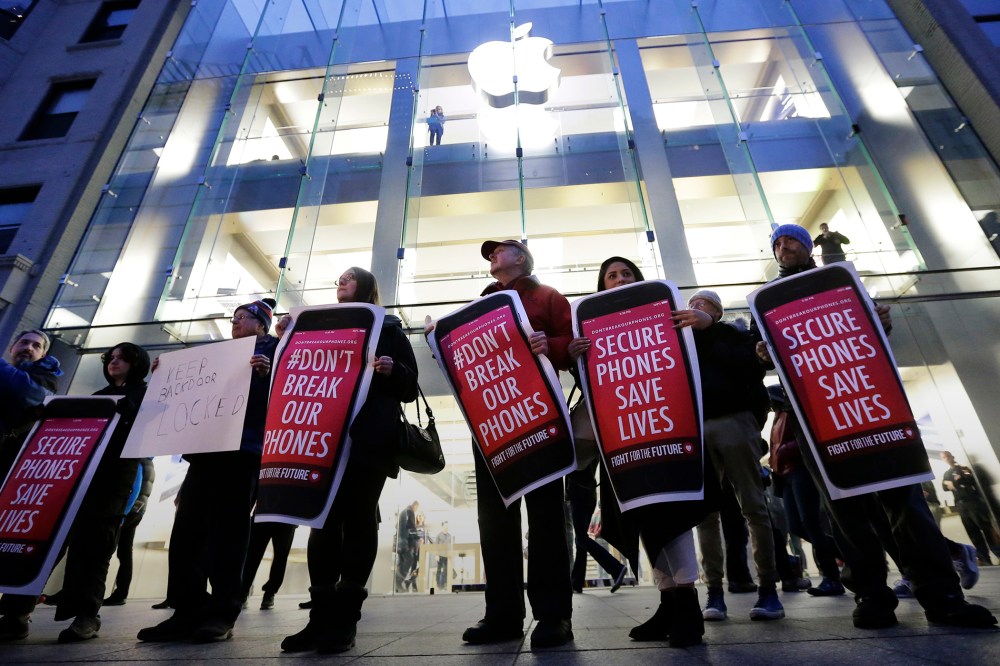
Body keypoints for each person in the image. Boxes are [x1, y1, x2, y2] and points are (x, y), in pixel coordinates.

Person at [754, 223, 996, 630]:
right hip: (817, 418)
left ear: (808, 245)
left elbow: (870, 336)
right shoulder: (767, 303)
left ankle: (942, 596)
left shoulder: (843, 284)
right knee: (845, 510)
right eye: (777, 243)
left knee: (905, 502)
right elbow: (766, 358)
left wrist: (878, 322)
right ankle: (871, 595)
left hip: (870, 407)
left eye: (791, 239)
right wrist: (762, 353)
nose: (783, 247)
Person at [567, 257, 716, 648]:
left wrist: (705, 323)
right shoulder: (592, 328)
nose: (619, 280)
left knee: (674, 516)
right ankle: (668, 604)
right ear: (602, 285)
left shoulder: (667, 316)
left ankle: (689, 608)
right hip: (623, 443)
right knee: (646, 521)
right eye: (611, 276)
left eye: (626, 274)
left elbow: (705, 354)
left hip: (667, 433)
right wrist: (573, 353)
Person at [281, 267, 418, 654]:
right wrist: (285, 342)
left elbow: (410, 386)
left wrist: (393, 370)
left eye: (348, 278)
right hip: (323, 436)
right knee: (321, 521)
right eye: (336, 278)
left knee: (357, 517)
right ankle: (319, 619)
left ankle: (345, 620)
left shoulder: (388, 328)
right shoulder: (317, 327)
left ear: (368, 287)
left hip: (368, 441)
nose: (339, 281)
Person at [454, 239, 575, 649]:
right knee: (495, 522)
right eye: (489, 253)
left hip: (538, 418)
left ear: (520, 257)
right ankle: (503, 615)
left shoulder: (548, 297)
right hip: (491, 425)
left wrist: (551, 346)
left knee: (545, 519)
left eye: (499, 250)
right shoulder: (480, 306)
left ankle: (553, 615)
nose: (492, 256)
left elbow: (575, 346)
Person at [138, 298, 278, 643]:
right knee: (187, 532)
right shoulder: (215, 357)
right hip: (206, 452)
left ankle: (221, 612)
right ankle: (186, 611)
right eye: (234, 318)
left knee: (228, 535)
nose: (236, 323)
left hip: (242, 453)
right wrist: (165, 375)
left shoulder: (275, 352)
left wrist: (266, 374)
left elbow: (287, 397)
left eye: (244, 318)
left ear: (261, 325)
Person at [0, 342, 149, 643]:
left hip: (112, 484)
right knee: (46, 546)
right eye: (112, 358)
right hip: (75, 481)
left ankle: (87, 616)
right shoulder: (98, 397)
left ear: (137, 364)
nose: (114, 362)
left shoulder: (144, 396)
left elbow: (146, 435)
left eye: (123, 358)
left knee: (94, 550)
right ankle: (15, 614)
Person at [679, 289, 784, 623]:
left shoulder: (735, 336)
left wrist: (709, 329)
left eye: (704, 305)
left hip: (734, 422)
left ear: (718, 313)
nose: (695, 307)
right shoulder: (681, 343)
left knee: (752, 505)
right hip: (696, 428)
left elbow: (749, 366)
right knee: (705, 515)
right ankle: (714, 590)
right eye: (692, 304)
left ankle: (768, 587)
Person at [0, 330, 62, 479]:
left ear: (43, 356)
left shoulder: (47, 379)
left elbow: (22, 389)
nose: (29, 347)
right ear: (11, 348)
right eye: (24, 342)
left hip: (8, 463)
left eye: (36, 346)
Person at [566, 459, 627, 593]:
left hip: (578, 492)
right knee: (580, 540)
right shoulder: (592, 444)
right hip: (590, 492)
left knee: (581, 539)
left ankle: (616, 568)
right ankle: (576, 583)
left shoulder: (577, 445)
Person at [104, 457, 155, 606]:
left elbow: (135, 488)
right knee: (125, 552)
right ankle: (121, 593)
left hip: (128, 511)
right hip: (137, 511)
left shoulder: (139, 461)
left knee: (110, 550)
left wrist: (124, 513)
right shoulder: (149, 463)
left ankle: (117, 594)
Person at [940, 451, 1000, 565]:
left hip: (974, 504)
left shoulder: (964, 469)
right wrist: (956, 481)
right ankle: (983, 557)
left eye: (947, 456)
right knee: (973, 532)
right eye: (943, 457)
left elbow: (967, 480)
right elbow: (944, 487)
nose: (946, 458)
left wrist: (954, 483)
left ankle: (998, 553)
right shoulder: (946, 474)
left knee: (986, 529)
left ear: (952, 456)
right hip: (961, 506)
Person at [240, 514, 296, 610]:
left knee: (278, 556)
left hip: (283, 516)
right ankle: (245, 591)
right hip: (270, 514)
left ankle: (268, 593)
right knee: (254, 555)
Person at [395, 500, 419, 592]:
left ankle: (398, 586)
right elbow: (411, 526)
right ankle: (399, 582)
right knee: (408, 560)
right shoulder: (410, 511)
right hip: (404, 542)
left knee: (401, 563)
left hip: (401, 542)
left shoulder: (403, 512)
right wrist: (417, 537)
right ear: (415, 506)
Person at [435, 522, 454, 590]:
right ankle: (438, 585)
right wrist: (436, 555)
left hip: (447, 556)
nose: (446, 527)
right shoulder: (439, 535)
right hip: (440, 555)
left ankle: (444, 585)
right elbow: (436, 546)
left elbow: (450, 546)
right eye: (445, 526)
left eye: (447, 526)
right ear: (442, 526)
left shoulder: (449, 535)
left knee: (446, 570)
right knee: (439, 570)